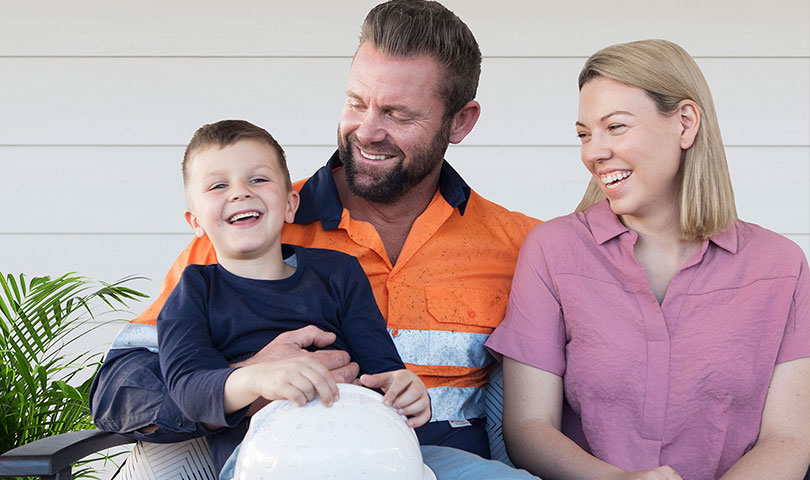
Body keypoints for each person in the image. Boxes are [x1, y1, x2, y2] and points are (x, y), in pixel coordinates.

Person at [90, 1, 539, 478]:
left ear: (460, 122)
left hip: (431, 460)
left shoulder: (522, 244)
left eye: (398, 114)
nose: (367, 131)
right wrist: (246, 378)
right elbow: (119, 388)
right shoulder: (248, 230)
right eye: (356, 103)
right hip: (286, 457)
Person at [485, 39, 810, 480]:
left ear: (685, 123)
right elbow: (528, 428)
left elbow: (789, 439)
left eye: (615, 127)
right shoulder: (551, 251)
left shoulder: (782, 267)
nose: (592, 152)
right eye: (584, 134)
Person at [156, 119, 430, 474]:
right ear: (195, 222)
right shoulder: (193, 292)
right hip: (265, 457)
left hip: (369, 445)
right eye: (218, 185)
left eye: (257, 179)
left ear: (290, 204)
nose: (240, 192)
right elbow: (188, 389)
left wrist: (406, 390)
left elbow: (385, 372)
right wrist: (257, 377)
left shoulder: (339, 273)